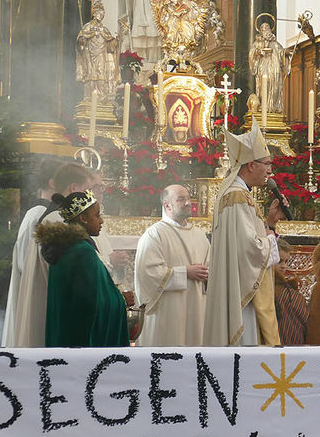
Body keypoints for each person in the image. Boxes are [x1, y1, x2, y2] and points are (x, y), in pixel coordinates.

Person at [203, 123, 283, 346]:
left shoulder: (237, 194)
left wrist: (270, 223)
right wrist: (270, 239)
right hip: (243, 299)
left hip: (241, 287)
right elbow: (251, 250)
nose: (270, 171)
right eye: (267, 165)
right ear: (250, 165)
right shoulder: (237, 197)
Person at [2, 162, 94, 347]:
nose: (91, 196)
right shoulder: (43, 215)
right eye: (88, 190)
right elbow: (23, 260)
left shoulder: (65, 217)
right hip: (42, 290)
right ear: (74, 188)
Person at [35, 190, 129, 347]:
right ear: (83, 218)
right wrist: (121, 300)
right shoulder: (81, 251)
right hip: (83, 344)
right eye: (97, 215)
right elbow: (91, 304)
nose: (101, 221)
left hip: (68, 336)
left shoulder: (65, 247)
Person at [134, 184, 210, 346]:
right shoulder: (154, 234)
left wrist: (207, 274)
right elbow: (148, 274)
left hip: (196, 311)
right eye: (181, 199)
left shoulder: (199, 235)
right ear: (167, 205)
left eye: (188, 198)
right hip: (167, 315)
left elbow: (210, 268)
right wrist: (185, 273)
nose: (188, 203)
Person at [1, 159, 61, 347]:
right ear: (52, 183)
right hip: (34, 291)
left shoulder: (50, 213)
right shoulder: (37, 213)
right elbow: (23, 261)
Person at [75, 0, 118, 99]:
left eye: (103, 14)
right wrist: (82, 40)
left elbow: (110, 46)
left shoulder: (104, 30)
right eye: (100, 13)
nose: (102, 15)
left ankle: (101, 97)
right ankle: (90, 97)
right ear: (94, 13)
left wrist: (116, 42)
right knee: (91, 75)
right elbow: (80, 42)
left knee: (101, 74)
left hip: (101, 55)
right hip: (89, 55)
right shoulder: (87, 27)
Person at [248, 20, 291, 113]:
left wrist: (285, 53)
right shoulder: (257, 43)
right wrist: (258, 52)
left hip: (274, 68)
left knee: (275, 87)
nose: (266, 30)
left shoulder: (275, 44)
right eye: (263, 28)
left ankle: (274, 107)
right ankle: (264, 107)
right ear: (260, 31)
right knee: (264, 85)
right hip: (263, 67)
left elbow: (281, 52)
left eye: (267, 28)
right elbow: (251, 53)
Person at [274, 238, 308, 345]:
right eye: (279, 261)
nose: (284, 266)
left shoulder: (289, 292)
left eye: (286, 261)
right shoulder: (287, 294)